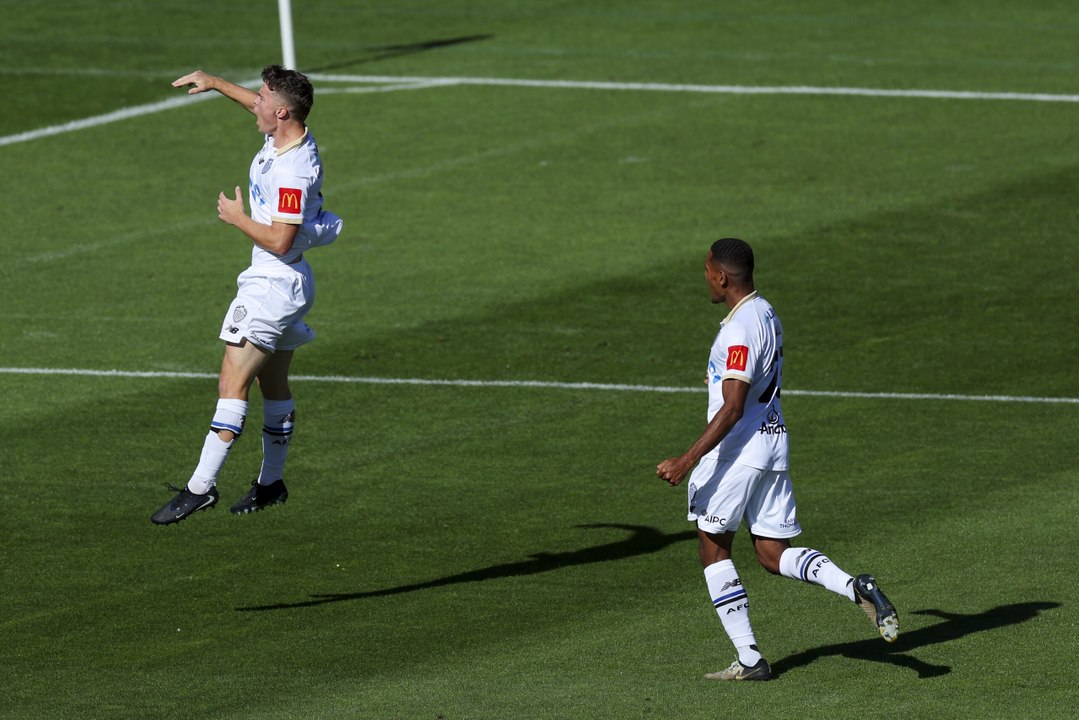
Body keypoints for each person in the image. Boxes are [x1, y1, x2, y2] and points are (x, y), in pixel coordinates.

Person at [656, 238, 898, 681]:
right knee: (771, 553)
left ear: (722, 276)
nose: (706, 277)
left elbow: (732, 406)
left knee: (713, 551)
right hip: (772, 445)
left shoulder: (740, 329)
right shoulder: (766, 311)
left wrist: (687, 459)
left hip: (739, 453)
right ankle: (853, 586)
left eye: (708, 270)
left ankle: (750, 660)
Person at [152, 65, 343, 525]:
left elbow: (279, 239)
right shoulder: (283, 136)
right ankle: (271, 482)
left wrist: (237, 217)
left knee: (231, 386)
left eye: (261, 97)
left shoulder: (293, 170)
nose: (253, 102)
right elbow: (258, 108)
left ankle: (200, 487)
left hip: (272, 284)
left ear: (282, 111)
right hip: (289, 280)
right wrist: (216, 83)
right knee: (271, 383)